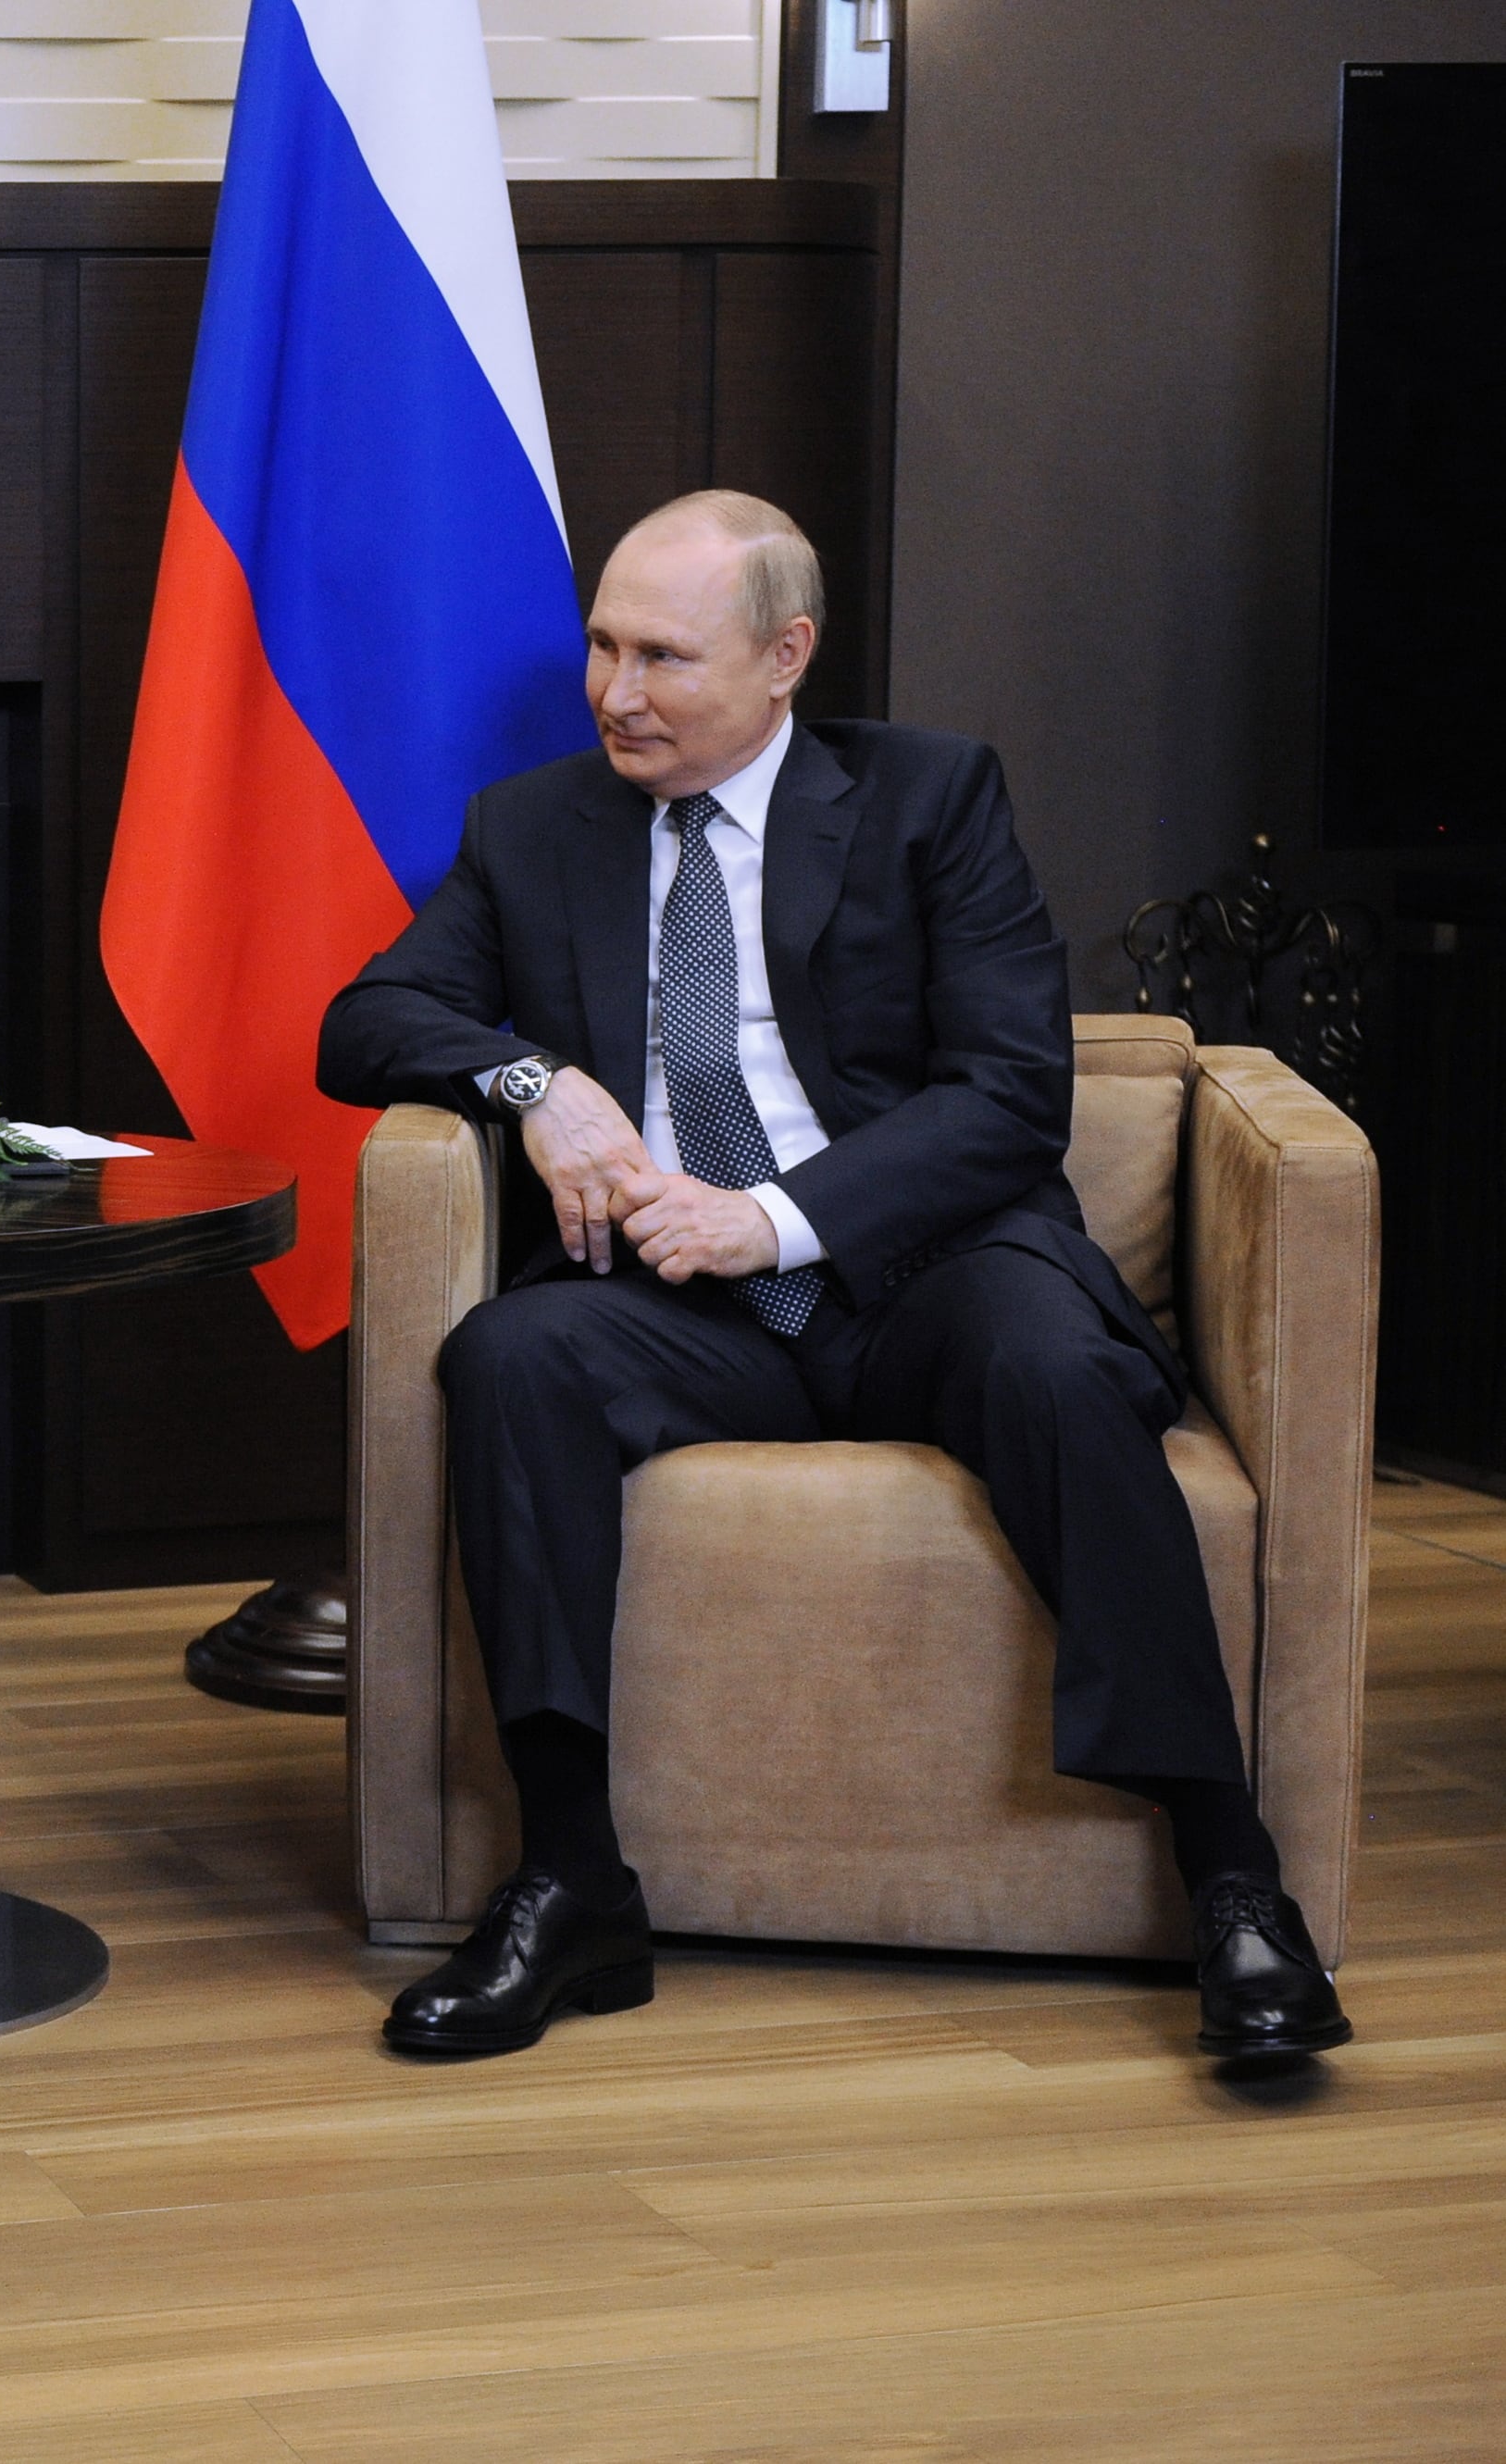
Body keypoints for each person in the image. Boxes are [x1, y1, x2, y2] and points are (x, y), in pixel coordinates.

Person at [316, 489, 1350, 2068]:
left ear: (783, 655)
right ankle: (570, 1878)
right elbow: (366, 1023)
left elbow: (1009, 1092)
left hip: (916, 1273)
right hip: (675, 1304)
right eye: (599, 647)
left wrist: (777, 1217)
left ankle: (1228, 1871)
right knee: (509, 1358)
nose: (612, 692)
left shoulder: (930, 797)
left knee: (1052, 1366)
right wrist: (543, 1090)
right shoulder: (533, 827)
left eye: (661, 656)